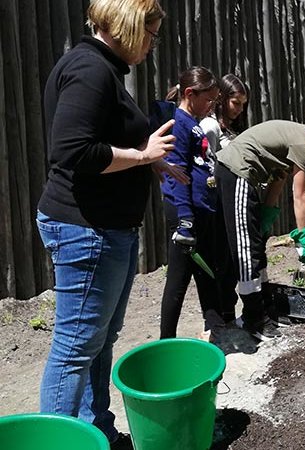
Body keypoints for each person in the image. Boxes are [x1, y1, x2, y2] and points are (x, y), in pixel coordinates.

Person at [35, 1, 184, 449]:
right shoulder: (90, 70)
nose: (153, 44)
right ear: (128, 26)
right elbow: (73, 151)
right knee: (76, 347)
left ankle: (95, 429)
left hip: (104, 229)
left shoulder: (102, 69)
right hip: (88, 229)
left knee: (98, 340)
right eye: (152, 34)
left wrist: (147, 161)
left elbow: (101, 140)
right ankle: (59, 441)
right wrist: (143, 156)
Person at [214, 111, 305, 341]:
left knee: (256, 247)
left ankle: (262, 309)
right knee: (247, 252)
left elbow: (278, 180)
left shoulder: (294, 139)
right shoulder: (303, 145)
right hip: (235, 173)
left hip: (242, 177)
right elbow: (299, 195)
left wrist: (265, 215)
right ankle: (253, 319)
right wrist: (302, 236)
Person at [158, 67, 223, 340]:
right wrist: (185, 220)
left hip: (201, 209)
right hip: (186, 213)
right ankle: (166, 342)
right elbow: (174, 172)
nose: (211, 106)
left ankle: (216, 327)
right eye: (208, 100)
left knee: (208, 272)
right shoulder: (178, 122)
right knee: (178, 279)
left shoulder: (194, 122)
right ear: (189, 94)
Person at [198, 73, 249, 337]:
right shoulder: (210, 126)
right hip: (216, 200)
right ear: (222, 100)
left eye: (243, 104)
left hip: (232, 199)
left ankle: (228, 312)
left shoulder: (234, 128)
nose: (239, 109)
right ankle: (218, 316)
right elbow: (209, 164)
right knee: (220, 258)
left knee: (232, 258)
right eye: (235, 102)